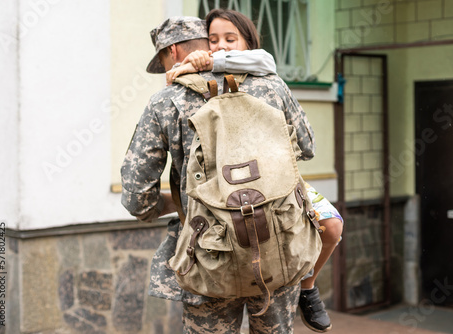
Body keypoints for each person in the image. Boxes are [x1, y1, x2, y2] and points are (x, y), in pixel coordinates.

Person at [121, 14, 315, 333]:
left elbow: (136, 199)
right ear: (208, 43)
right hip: (277, 245)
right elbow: (307, 148)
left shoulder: (165, 101)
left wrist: (180, 204)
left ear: (173, 53)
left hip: (208, 255)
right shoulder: (271, 85)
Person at [166, 8, 344, 333]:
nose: (220, 46)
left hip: (277, 187)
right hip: (222, 200)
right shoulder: (191, 84)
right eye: (213, 40)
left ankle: (308, 286)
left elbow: (305, 146)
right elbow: (307, 146)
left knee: (331, 227)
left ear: (249, 43)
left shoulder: (265, 72)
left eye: (230, 39)